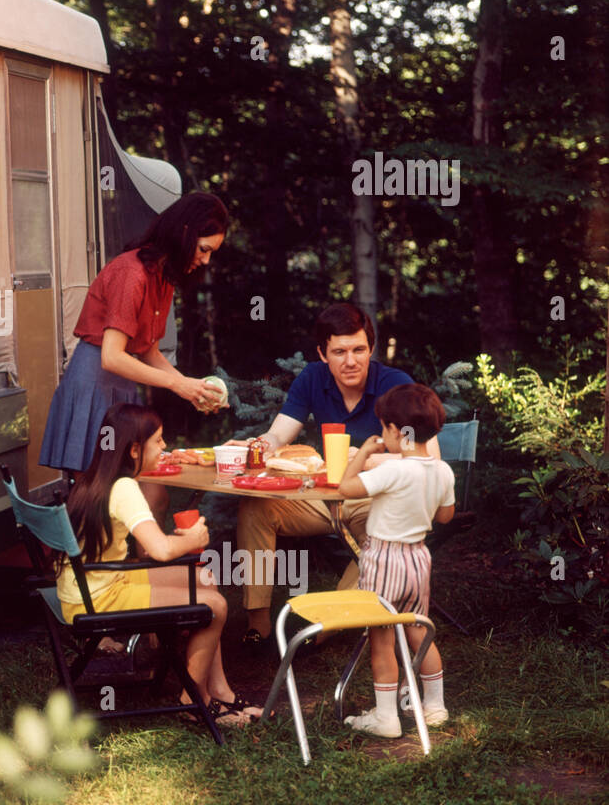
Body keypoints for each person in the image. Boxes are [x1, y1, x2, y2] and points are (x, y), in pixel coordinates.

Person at [232, 302, 442, 644]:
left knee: (385, 538)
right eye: (339, 351)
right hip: (323, 497)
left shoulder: (394, 385)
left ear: (371, 349)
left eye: (359, 350)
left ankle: (323, 626)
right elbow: (278, 434)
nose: (350, 361)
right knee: (257, 508)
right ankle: (258, 624)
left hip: (376, 501)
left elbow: (428, 459)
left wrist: (368, 460)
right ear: (322, 353)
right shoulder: (313, 377)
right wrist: (253, 446)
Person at [61, 403, 260, 724]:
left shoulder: (95, 477)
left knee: (205, 577)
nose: (165, 447)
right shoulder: (125, 487)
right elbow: (160, 550)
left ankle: (220, 690)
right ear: (136, 449)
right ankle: (194, 702)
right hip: (100, 597)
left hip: (87, 586)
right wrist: (192, 539)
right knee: (216, 606)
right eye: (159, 440)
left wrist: (180, 543)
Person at [39, 192, 230, 488]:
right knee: (97, 496)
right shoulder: (132, 273)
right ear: (185, 233)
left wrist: (191, 390)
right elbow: (112, 357)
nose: (205, 260)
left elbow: (148, 351)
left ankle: (137, 537)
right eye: (204, 249)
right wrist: (177, 384)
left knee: (138, 491)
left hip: (122, 388)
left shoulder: (163, 277)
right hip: (94, 384)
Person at [337, 383, 455, 737]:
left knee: (382, 636)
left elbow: (346, 488)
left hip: (384, 559)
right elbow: (446, 516)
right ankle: (435, 706)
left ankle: (386, 717)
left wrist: (362, 454)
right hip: (418, 558)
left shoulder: (393, 471)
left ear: (394, 430)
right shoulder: (442, 470)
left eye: (384, 427)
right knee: (419, 629)